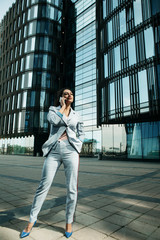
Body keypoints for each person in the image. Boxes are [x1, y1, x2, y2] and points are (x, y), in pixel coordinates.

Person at [20, 88, 85, 238]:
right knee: (43, 185)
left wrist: (78, 145)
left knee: (72, 188)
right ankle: (32, 220)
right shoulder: (53, 110)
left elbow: (81, 132)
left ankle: (69, 221)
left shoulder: (77, 115)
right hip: (54, 150)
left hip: (71, 150)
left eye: (71, 94)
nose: (69, 95)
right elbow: (54, 121)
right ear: (61, 97)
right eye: (65, 94)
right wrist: (62, 107)